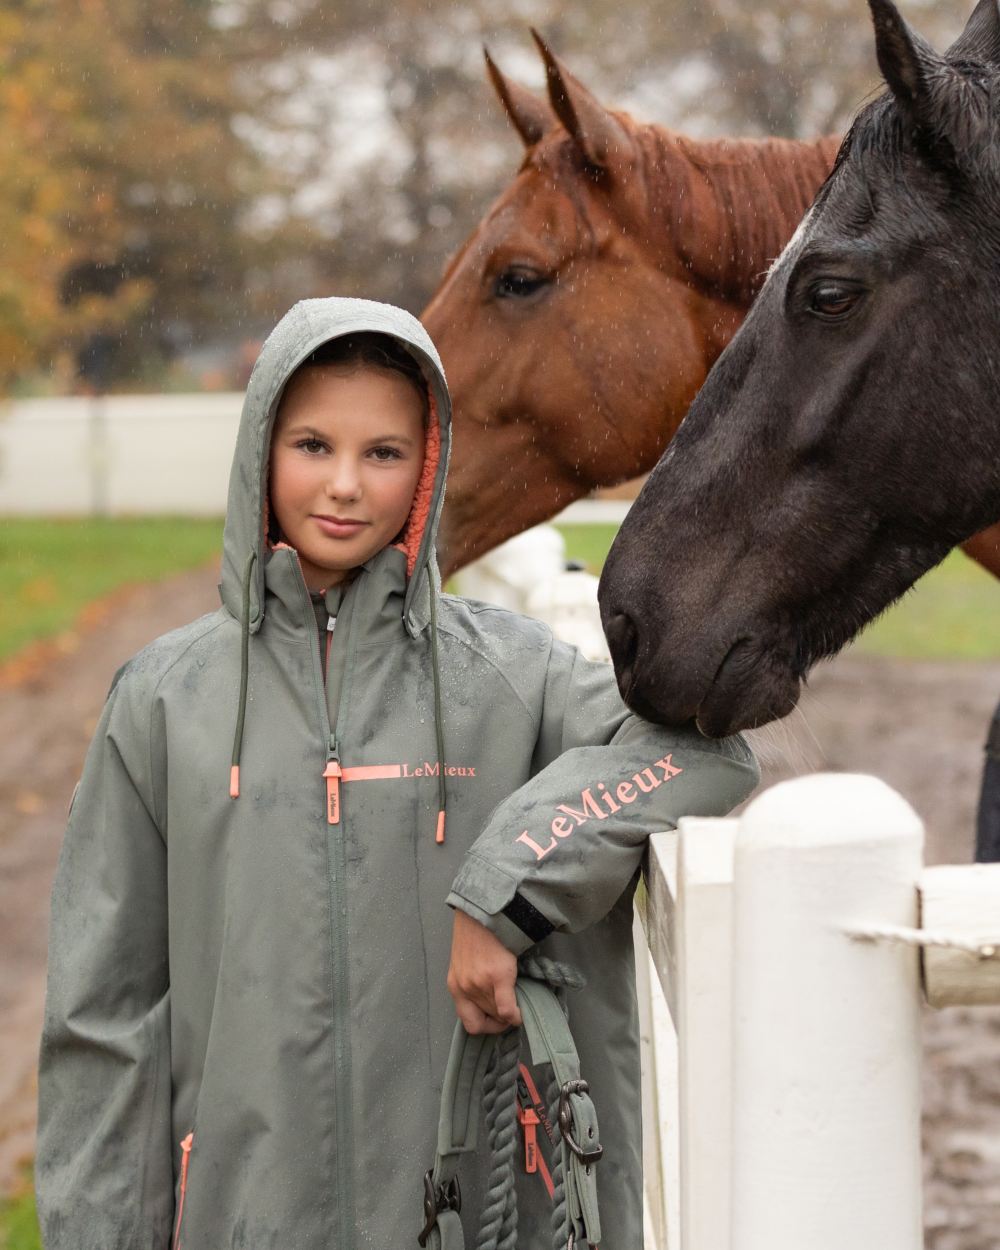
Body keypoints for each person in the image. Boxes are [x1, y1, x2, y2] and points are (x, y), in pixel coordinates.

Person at [35, 297, 759, 1249]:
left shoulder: (514, 678)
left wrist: (510, 886)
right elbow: (105, 1018)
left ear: (427, 470)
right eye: (311, 445)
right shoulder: (163, 701)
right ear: (261, 451)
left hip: (473, 1212)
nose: (343, 485)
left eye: (383, 453)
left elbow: (705, 753)